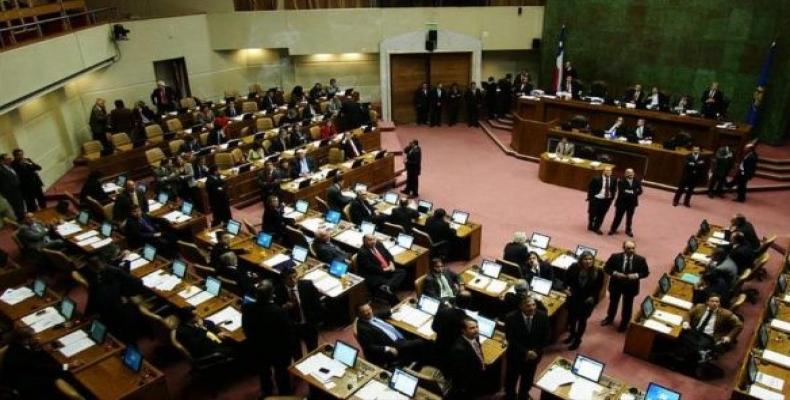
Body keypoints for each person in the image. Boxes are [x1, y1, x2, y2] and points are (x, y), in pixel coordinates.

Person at [242, 281, 296, 397]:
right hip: (279, 350)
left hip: (259, 349)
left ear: (256, 295)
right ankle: (284, 394)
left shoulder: (247, 308)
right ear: (272, 294)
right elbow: (288, 333)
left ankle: (267, 392)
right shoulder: (279, 312)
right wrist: (290, 350)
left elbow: (246, 329)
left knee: (264, 373)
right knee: (281, 374)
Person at [504, 296, 550, 400]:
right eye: (528, 305)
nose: (532, 308)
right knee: (511, 379)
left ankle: (523, 395)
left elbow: (546, 337)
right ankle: (510, 396)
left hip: (534, 355)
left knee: (528, 379)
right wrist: (526, 352)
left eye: (534, 305)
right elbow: (510, 338)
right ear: (521, 306)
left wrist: (535, 351)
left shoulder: (543, 316)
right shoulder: (510, 318)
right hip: (515, 355)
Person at [679, 294, 742, 370]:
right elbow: (688, 314)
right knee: (679, 337)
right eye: (712, 301)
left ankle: (690, 365)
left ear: (719, 303)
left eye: (717, 302)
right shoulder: (700, 307)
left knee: (696, 347)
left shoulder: (726, 314)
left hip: (708, 337)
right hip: (694, 331)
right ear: (707, 302)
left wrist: (729, 336)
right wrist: (686, 322)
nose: (714, 303)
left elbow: (739, 325)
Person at [0, 327, 66, 398]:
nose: (37, 338)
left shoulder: (15, 346)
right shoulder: (23, 354)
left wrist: (46, 350)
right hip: (29, 386)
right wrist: (66, 366)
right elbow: (42, 368)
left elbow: (32, 355)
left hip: (16, 377)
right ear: (26, 340)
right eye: (34, 336)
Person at [355, 302, 427, 367]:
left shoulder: (371, 315)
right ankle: (422, 363)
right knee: (420, 342)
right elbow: (369, 347)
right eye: (364, 311)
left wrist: (392, 310)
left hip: (399, 336)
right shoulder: (362, 328)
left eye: (369, 309)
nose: (369, 312)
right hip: (393, 344)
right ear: (359, 314)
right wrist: (387, 348)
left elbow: (380, 313)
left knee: (417, 333)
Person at [274, 267, 323, 358]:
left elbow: (317, 304)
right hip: (292, 328)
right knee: (297, 355)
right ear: (284, 280)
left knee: (313, 352)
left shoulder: (307, 285)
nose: (293, 280)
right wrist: (283, 308)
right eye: (290, 278)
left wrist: (315, 319)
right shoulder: (278, 290)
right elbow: (275, 311)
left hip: (308, 324)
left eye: (295, 277)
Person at [601, 240, 650, 332]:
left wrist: (636, 275)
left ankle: (624, 323)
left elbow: (646, 273)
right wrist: (616, 273)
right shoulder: (615, 257)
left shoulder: (640, 259)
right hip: (616, 284)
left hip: (630, 287)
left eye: (633, 248)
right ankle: (610, 318)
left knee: (627, 306)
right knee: (613, 303)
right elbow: (606, 268)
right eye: (628, 248)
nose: (631, 250)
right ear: (624, 248)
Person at [563, 251, 603, 350]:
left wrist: (592, 297)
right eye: (585, 259)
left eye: (590, 259)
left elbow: (598, 288)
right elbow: (566, 279)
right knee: (571, 319)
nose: (588, 261)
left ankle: (577, 340)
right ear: (581, 260)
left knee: (582, 321)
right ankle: (572, 335)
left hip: (586, 301)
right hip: (573, 297)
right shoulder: (574, 267)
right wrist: (565, 289)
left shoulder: (598, 272)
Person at [356, 234, 405, 303]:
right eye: (370, 240)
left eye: (374, 239)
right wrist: (386, 270)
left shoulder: (378, 244)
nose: (373, 241)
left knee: (402, 272)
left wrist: (391, 263)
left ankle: (387, 286)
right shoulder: (362, 253)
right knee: (389, 292)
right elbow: (371, 268)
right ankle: (395, 301)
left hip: (386, 269)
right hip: (373, 275)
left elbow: (388, 254)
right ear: (364, 241)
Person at [447, 317, 487, 398]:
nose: (476, 330)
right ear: (463, 330)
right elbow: (462, 375)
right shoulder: (459, 350)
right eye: (472, 328)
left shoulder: (474, 337)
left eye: (477, 327)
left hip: (478, 372)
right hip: (468, 387)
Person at [608, 168, 643, 236]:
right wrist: (633, 192)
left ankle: (628, 230)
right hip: (621, 203)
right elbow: (622, 191)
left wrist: (630, 191)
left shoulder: (637, 181)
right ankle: (613, 229)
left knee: (629, 218)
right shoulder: (621, 181)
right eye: (629, 173)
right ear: (626, 174)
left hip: (632, 203)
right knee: (618, 217)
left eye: (632, 173)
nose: (631, 175)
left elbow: (640, 191)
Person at [431, 303, 466, 370]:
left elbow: (433, 327)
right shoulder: (467, 320)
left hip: (438, 348)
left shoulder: (443, 311)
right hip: (454, 356)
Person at [586, 166, 617, 234]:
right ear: (603, 171)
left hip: (607, 200)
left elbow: (614, 189)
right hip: (597, 198)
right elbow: (590, 189)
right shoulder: (596, 178)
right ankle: (590, 224)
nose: (609, 172)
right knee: (592, 213)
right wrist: (591, 198)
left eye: (610, 171)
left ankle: (597, 228)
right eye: (607, 171)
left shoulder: (613, 179)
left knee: (602, 214)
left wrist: (612, 197)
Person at [0, 153, 24, 219]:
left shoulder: (10, 166)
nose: (10, 160)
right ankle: (21, 221)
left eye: (10, 158)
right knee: (16, 208)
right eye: (8, 159)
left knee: (21, 205)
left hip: (17, 189)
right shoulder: (1, 170)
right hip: (10, 193)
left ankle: (24, 218)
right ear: (2, 161)